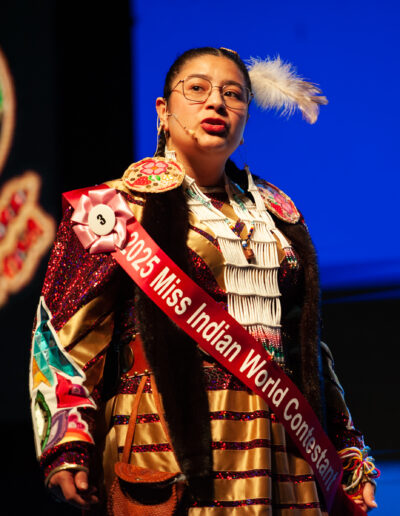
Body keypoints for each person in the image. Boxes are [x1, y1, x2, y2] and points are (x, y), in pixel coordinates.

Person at [30, 47, 379, 515]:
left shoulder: (278, 214)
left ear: (245, 118)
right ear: (163, 110)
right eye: (197, 89)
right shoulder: (113, 208)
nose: (216, 102)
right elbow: (61, 338)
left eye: (233, 94)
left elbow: (308, 345)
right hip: (166, 436)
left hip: (284, 442)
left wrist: (346, 446)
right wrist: (68, 440)